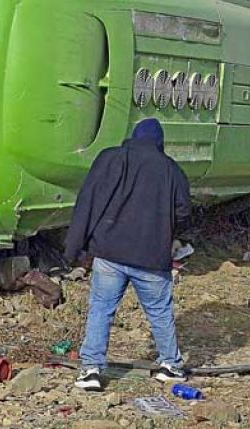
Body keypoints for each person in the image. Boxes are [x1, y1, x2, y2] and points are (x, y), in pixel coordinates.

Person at [64, 117, 192, 392]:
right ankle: (170, 365)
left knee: (101, 309)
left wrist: (77, 245)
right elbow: (183, 212)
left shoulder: (111, 158)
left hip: (110, 253)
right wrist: (168, 234)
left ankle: (91, 371)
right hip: (151, 257)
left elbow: (90, 198)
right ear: (159, 142)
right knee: (160, 311)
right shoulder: (171, 170)